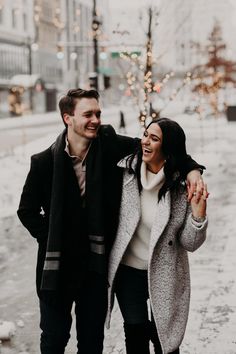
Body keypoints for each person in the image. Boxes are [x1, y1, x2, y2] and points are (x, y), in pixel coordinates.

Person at [17, 88, 204, 354]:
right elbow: (26, 210)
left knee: (92, 343)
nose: (95, 119)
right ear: (67, 118)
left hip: (95, 267)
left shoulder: (111, 146)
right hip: (56, 268)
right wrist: (52, 236)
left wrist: (193, 170)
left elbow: (166, 150)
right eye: (88, 114)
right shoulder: (44, 162)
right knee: (53, 340)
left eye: (98, 113)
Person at [106, 118, 209, 354]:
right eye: (145, 135)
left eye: (154, 138)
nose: (145, 142)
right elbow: (105, 136)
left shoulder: (183, 186)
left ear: (168, 147)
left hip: (166, 272)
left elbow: (190, 244)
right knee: (135, 335)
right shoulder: (125, 172)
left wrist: (198, 214)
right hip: (128, 271)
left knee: (166, 341)